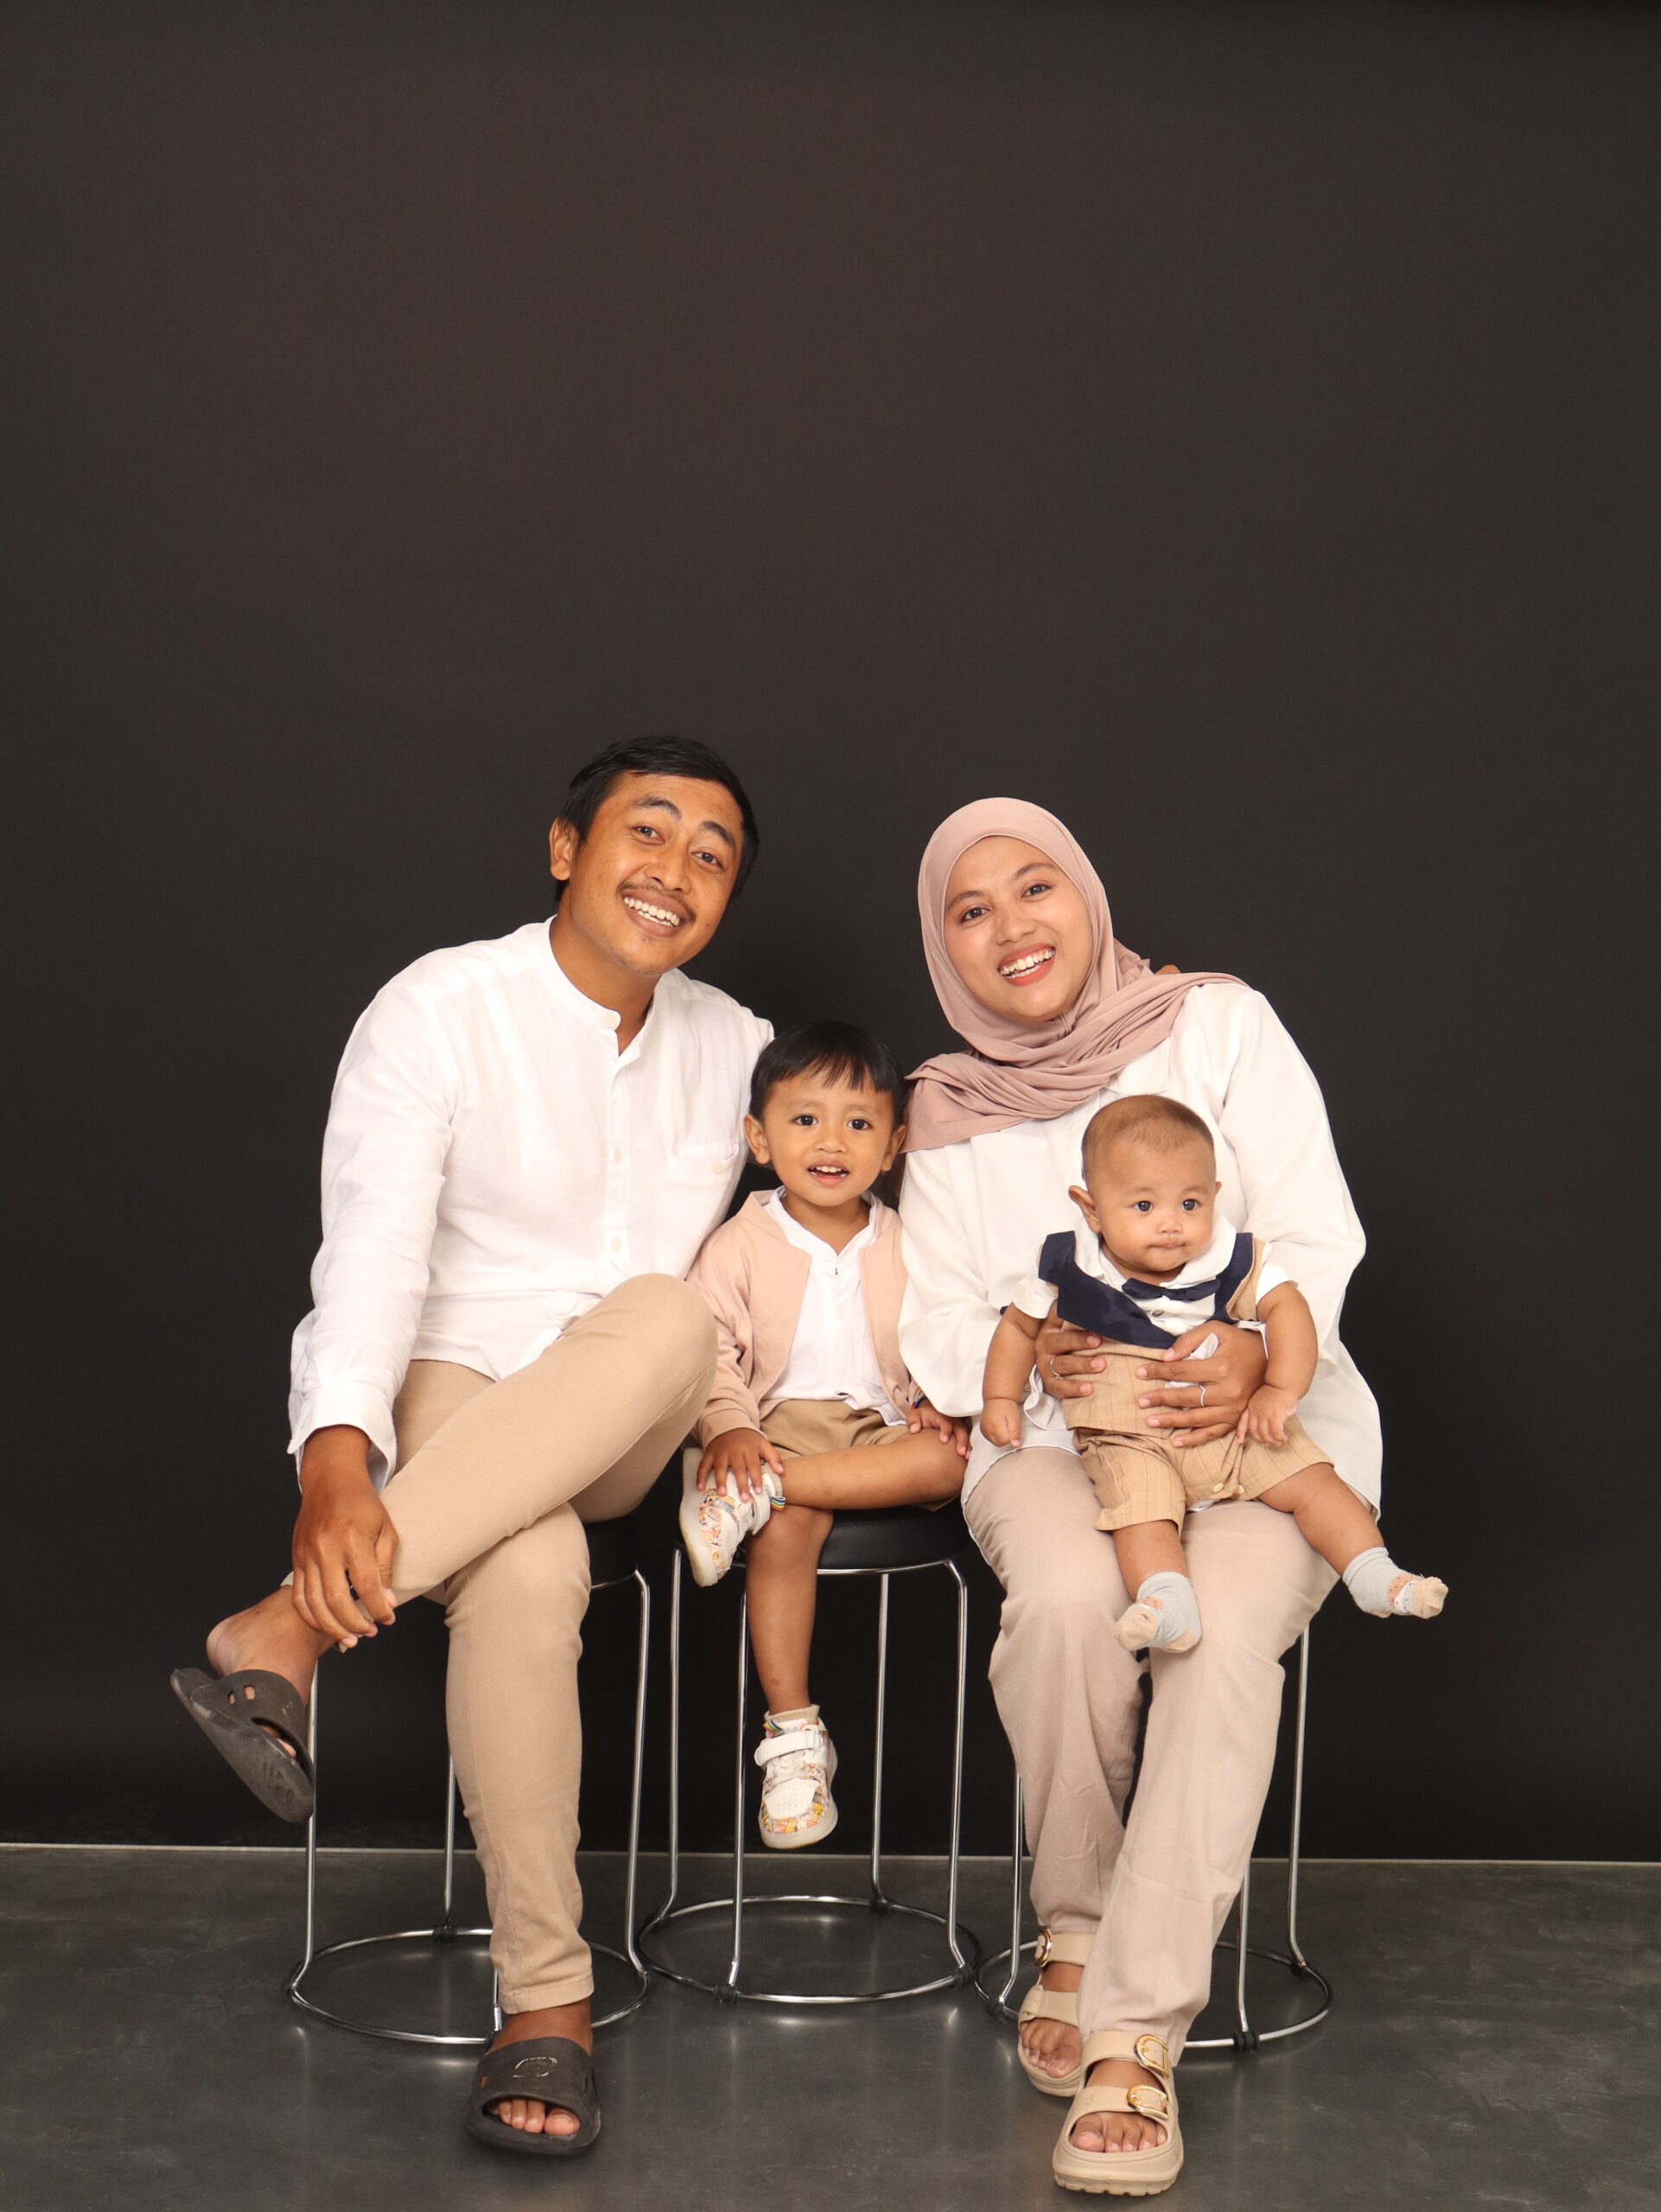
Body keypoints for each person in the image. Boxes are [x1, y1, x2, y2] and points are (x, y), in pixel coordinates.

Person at [170, 736, 770, 2158]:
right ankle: (545, 2006)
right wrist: (335, 1458)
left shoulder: (739, 1046)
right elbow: (372, 1248)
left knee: (670, 1315)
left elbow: (877, 1149)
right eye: (647, 832)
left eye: (711, 855)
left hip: (631, 1401)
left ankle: (286, 1634)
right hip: (456, 1382)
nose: (675, 870)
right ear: (566, 850)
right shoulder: (438, 1008)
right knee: (529, 1570)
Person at [898, 798, 1386, 2197]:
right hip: (1063, 1440)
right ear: (942, 949)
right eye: (969, 912)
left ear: (1086, 895)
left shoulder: (1214, 1025)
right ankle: (1074, 1922)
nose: (1010, 928)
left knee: (1213, 1640)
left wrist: (1254, 1352)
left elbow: (1313, 1227)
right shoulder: (947, 1107)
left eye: (1034, 887)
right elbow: (934, 1317)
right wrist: (1031, 1352)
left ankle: (1134, 2031)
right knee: (1064, 1601)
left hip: (1265, 1426)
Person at [983, 1092, 1445, 1656]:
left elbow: (1289, 1308)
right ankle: (1166, 1604)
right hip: (1130, 1438)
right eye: (1144, 1206)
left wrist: (1279, 1387)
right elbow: (1017, 1328)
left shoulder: (1231, 1258)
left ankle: (1373, 1573)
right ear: (1091, 1208)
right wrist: (1000, 1397)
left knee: (1315, 1482)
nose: (1171, 1224)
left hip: (1230, 1426)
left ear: (1214, 1195)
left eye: (1190, 1203)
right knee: (1142, 1516)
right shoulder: (1068, 1263)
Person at [678, 1022, 968, 1847]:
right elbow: (706, 1350)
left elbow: (947, 1328)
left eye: (859, 1123)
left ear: (894, 1144)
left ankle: (745, 1497)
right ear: (759, 1138)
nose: (831, 1142)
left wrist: (938, 1396)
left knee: (950, 1461)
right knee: (786, 1532)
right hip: (775, 1428)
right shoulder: (738, 1243)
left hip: (878, 1430)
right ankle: (795, 1737)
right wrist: (730, 1428)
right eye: (805, 1120)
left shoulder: (913, 1242)